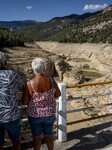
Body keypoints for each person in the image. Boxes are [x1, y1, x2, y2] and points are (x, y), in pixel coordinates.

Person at [22, 57, 61, 150]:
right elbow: (58, 94)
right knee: (49, 135)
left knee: (36, 137)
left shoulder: (29, 83)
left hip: (35, 115)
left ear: (33, 69)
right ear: (44, 68)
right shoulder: (51, 80)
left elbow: (25, 101)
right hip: (49, 113)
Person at [0, 51, 24, 150]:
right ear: (4, 62)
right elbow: (22, 87)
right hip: (11, 116)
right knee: (15, 141)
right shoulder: (12, 75)